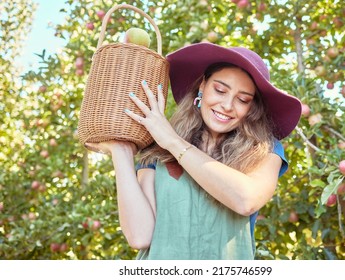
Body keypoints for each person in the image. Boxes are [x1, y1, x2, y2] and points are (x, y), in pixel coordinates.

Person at [85, 42, 302, 260]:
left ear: (251, 109)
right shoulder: (157, 152)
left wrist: (172, 141)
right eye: (220, 90)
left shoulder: (265, 150)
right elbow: (140, 237)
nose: (227, 105)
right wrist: (121, 152)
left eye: (243, 99)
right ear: (202, 87)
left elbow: (246, 200)